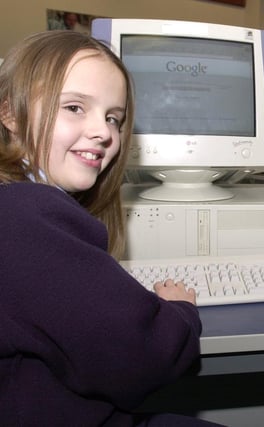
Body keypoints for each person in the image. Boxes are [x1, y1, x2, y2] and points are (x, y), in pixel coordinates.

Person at [0, 31, 222, 426]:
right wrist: (181, 311)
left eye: (113, 118)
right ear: (10, 114)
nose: (104, 132)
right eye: (74, 107)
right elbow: (143, 358)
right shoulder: (23, 215)